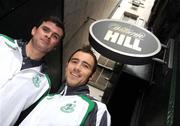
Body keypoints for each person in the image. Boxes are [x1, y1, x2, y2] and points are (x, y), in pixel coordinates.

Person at [19, 45, 111, 126]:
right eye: (74, 62)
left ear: (91, 76)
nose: (77, 68)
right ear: (67, 66)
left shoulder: (96, 108)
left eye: (85, 66)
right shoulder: (47, 97)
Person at [0, 16, 65, 126]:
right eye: (45, 29)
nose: (48, 36)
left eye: (55, 36)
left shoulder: (44, 85)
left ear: (55, 47)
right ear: (34, 30)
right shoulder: (2, 42)